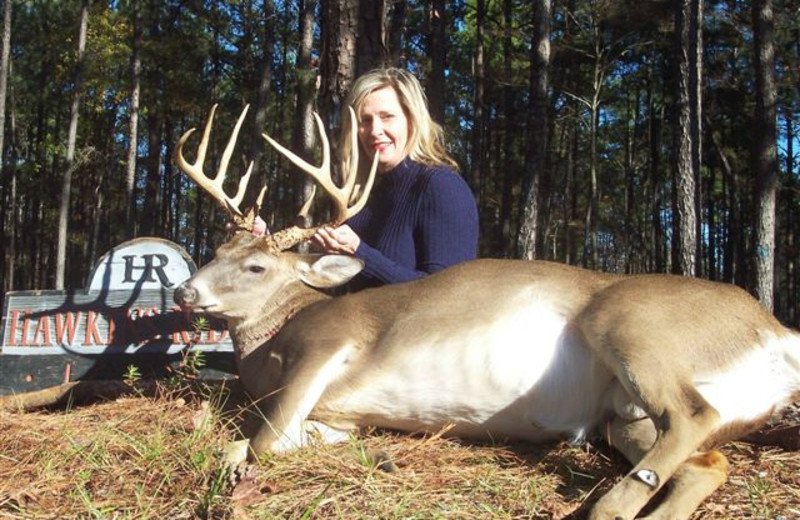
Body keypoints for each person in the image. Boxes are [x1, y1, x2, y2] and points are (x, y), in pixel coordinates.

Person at [311, 67, 479, 290]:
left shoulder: (441, 186)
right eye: (365, 120)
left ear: (411, 119)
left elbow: (448, 293)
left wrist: (360, 254)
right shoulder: (362, 198)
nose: (374, 131)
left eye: (387, 117)